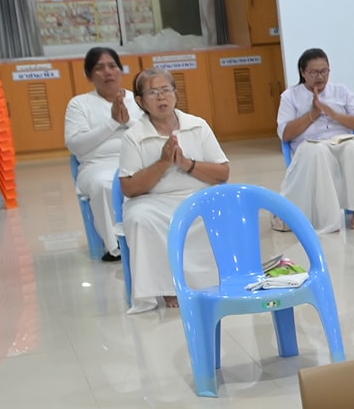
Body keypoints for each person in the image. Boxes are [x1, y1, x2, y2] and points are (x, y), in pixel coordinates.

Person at [115, 69, 230, 312]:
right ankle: (169, 286)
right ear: (140, 101)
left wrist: (187, 164)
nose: (161, 98)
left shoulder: (197, 126)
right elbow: (129, 188)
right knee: (140, 219)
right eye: (153, 92)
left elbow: (222, 173)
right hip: (153, 202)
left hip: (197, 196)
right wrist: (163, 163)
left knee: (223, 211)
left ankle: (219, 279)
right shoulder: (134, 136)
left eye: (166, 90)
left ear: (176, 94)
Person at [275, 48, 354, 233]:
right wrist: (313, 114)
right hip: (310, 145)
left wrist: (332, 113)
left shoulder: (341, 91)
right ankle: (327, 219)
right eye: (314, 72)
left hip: (341, 140)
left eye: (324, 71)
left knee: (353, 149)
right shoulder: (290, 96)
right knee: (320, 153)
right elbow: (285, 133)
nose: (320, 77)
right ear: (303, 72)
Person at [62, 46, 140, 258]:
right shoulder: (79, 104)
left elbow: (152, 135)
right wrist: (113, 123)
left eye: (112, 66)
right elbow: (76, 145)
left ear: (121, 70)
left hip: (137, 161)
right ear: (89, 75)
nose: (107, 72)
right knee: (104, 184)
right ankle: (115, 246)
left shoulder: (138, 100)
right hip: (96, 165)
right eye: (99, 68)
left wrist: (128, 121)